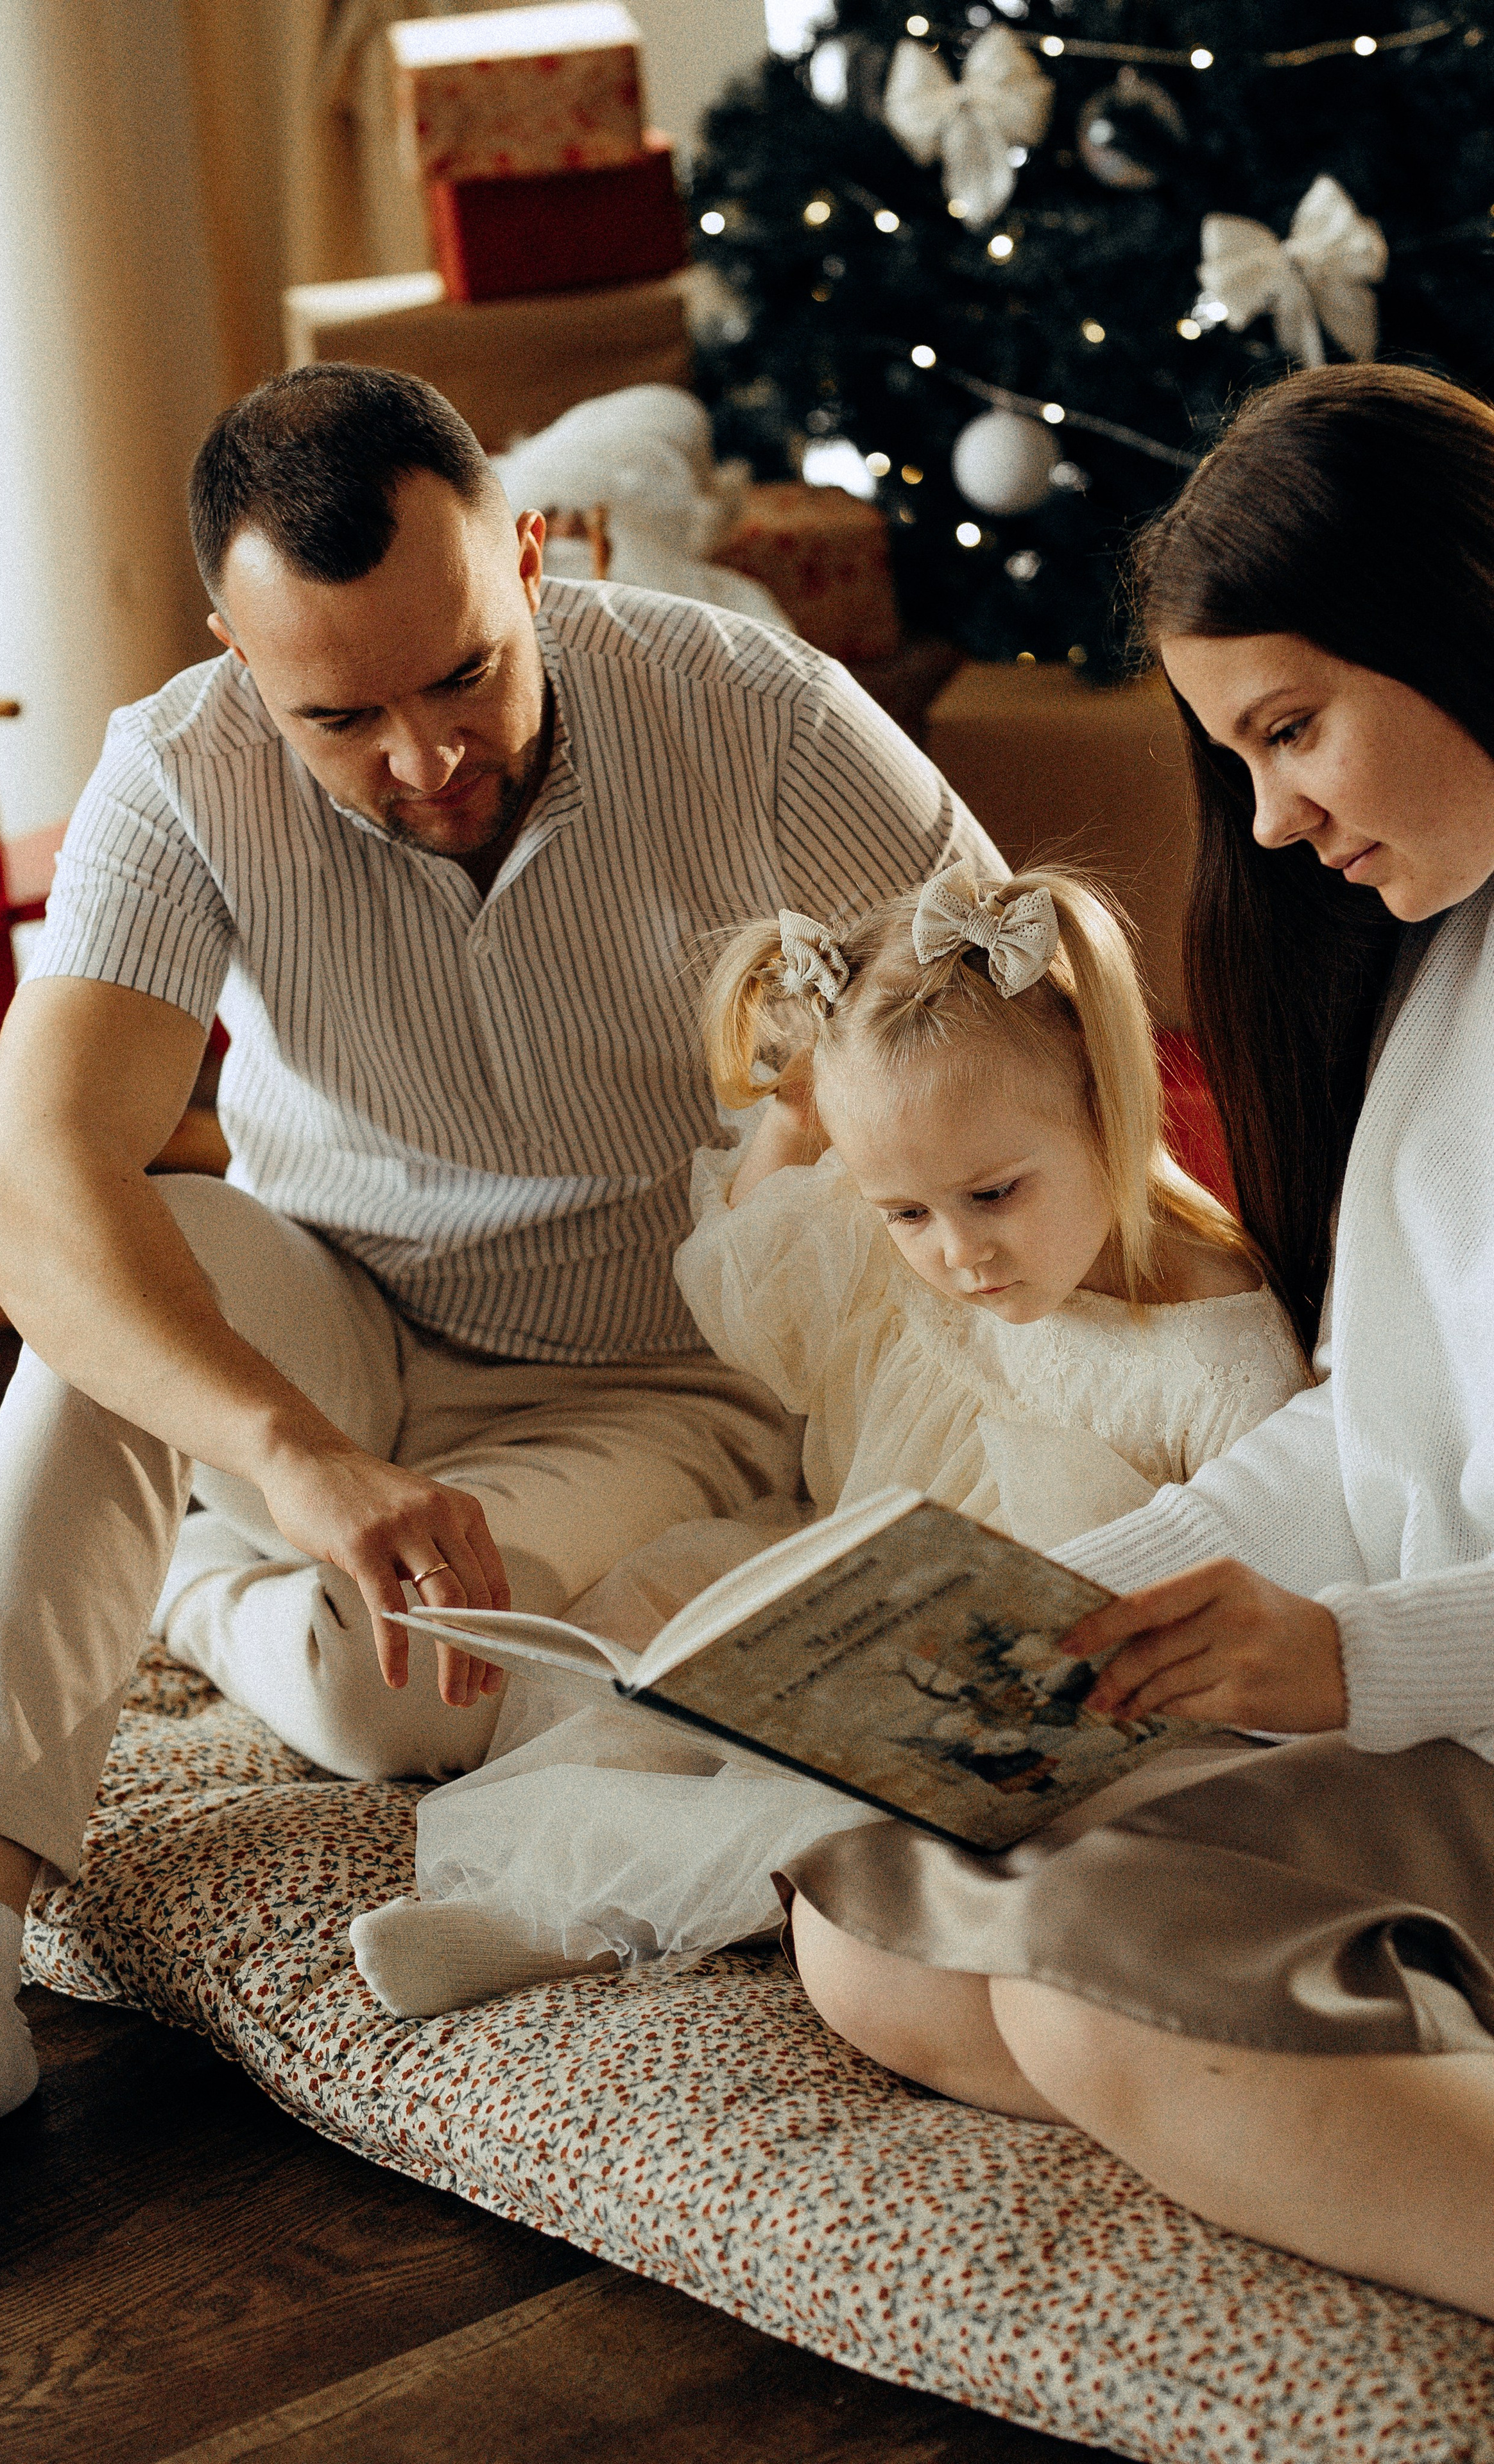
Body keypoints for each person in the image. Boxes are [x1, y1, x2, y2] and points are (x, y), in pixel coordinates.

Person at [0, 363, 1000, 2273]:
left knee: (399, 1700)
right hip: (336, 1313)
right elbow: (27, 1191)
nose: (425, 755)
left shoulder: (758, 710)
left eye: (462, 671)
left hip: (655, 1372)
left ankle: (168, 1587)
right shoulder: (179, 765)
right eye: (341, 715)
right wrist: (297, 1455)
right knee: (103, 1264)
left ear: (527, 558)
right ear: (233, 651)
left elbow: (1014, 1001)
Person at [782, 362, 1494, 2323]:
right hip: (1432, 1703)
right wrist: (1035, 1614)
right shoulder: (1442, 961)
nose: (1271, 822)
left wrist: (1351, 1660)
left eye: (1295, 731)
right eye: (1236, 755)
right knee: (874, 1917)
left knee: (1094, 1991)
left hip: (1453, 1702)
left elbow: (1382, 1571)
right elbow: (1373, 1442)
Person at [348, 862, 1304, 2021]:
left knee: (842, 1806)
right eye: (906, 1212)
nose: (955, 1253)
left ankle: (572, 1926)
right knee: (651, 1627)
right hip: (855, 1585)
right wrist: (796, 1121)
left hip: (1030, 1701)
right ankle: (541, 1880)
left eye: (995, 1195)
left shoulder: (1216, 1347)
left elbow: (1273, 1585)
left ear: (1112, 1105)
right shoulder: (907, 1218)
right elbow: (757, 1295)